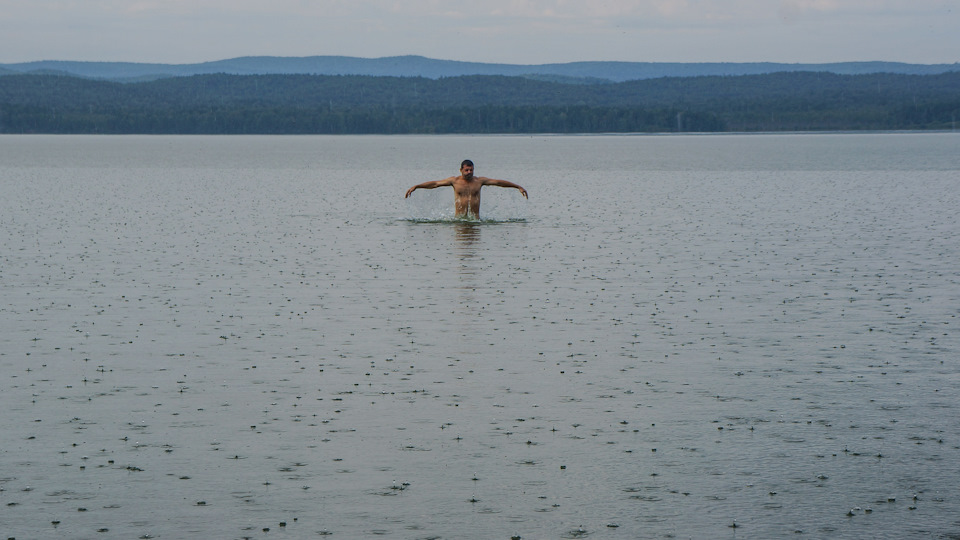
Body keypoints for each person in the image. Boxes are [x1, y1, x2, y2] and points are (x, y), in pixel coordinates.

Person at [405, 160, 527, 219]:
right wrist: (417, 186)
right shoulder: (454, 181)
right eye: (466, 170)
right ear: (461, 170)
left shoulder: (479, 181)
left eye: (471, 170)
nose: (469, 172)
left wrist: (517, 186)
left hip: (476, 220)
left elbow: (498, 182)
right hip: (459, 220)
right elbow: (435, 183)